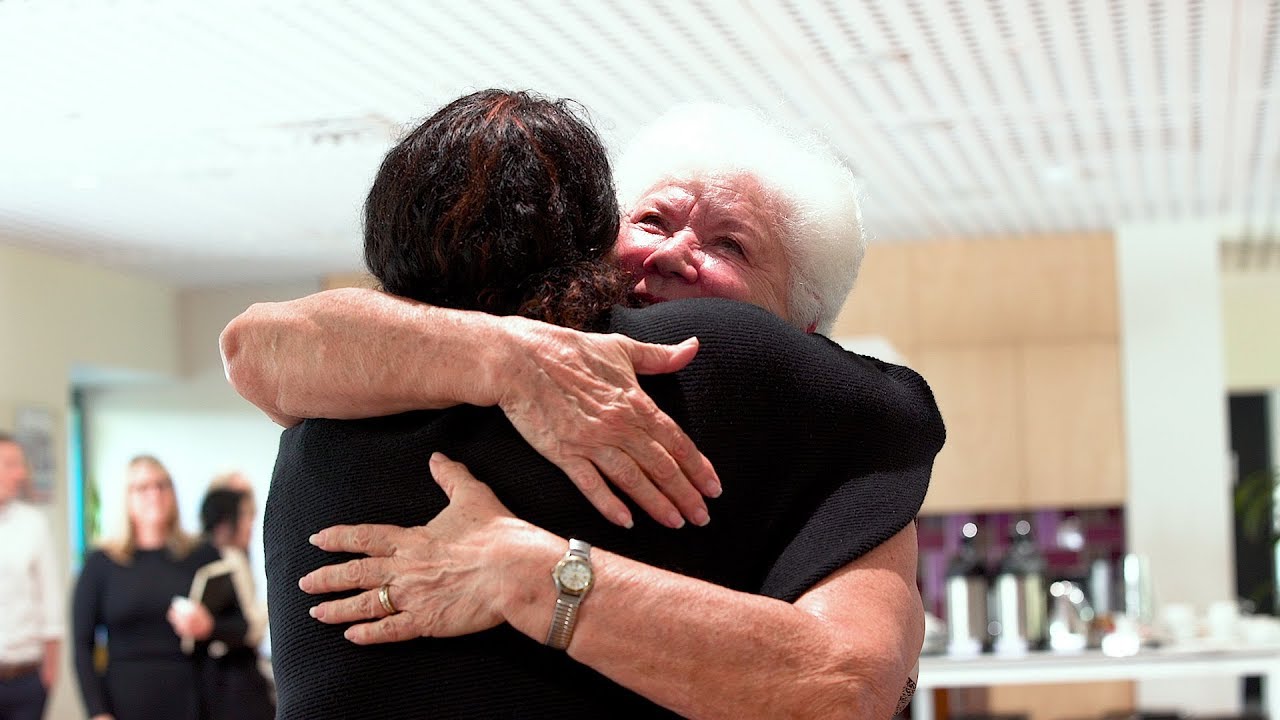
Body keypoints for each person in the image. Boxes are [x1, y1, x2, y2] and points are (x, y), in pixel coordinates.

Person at [259, 89, 943, 718]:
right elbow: (256, 346)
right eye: (651, 219)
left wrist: (527, 572)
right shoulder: (377, 368)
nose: (674, 252)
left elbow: (848, 681)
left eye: (729, 244)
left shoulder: (318, 426)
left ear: (805, 339)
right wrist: (511, 360)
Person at [71, 456, 253, 720]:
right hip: (125, 699)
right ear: (126, 498)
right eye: (142, 488)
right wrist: (97, 711)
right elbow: (82, 645)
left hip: (195, 697)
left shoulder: (202, 555)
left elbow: (240, 627)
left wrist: (208, 627)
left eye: (162, 485)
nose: (154, 494)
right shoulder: (101, 563)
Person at [196, 487, 274, 720]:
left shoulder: (216, 557)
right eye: (244, 516)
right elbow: (248, 626)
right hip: (234, 682)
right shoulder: (230, 561)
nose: (250, 524)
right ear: (225, 522)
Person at [0, 433, 62, 720]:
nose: (21, 473)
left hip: (24, 678)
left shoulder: (32, 524)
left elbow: (50, 600)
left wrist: (50, 669)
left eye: (21, 464)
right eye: (10, 464)